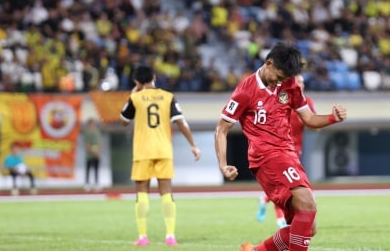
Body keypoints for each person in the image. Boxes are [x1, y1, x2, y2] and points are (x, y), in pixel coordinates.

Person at [214, 42, 347, 251]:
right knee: (307, 204)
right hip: (266, 157)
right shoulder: (245, 91)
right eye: (279, 76)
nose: (281, 82)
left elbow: (309, 119)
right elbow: (221, 129)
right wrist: (223, 164)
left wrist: (332, 118)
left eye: (285, 78)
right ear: (268, 63)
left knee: (307, 226)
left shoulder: (290, 84)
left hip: (289, 155)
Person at [121, 66, 202, 247]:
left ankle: (143, 237)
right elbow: (180, 121)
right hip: (164, 150)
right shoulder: (168, 96)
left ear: (136, 82)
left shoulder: (135, 98)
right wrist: (193, 145)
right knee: (166, 193)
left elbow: (124, 121)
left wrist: (133, 93)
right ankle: (170, 236)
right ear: (154, 77)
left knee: (142, 193)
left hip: (142, 151)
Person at [256, 74, 316, 229]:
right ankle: (281, 220)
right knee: (287, 188)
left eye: (303, 82)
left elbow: (312, 122)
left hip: (296, 150)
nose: (301, 84)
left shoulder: (306, 102)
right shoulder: (282, 98)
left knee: (290, 188)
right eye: (298, 81)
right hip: (281, 150)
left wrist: (316, 124)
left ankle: (265, 198)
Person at [82, 118, 102, 191]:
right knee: (88, 169)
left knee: (96, 169)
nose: (92, 125)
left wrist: (99, 152)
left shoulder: (97, 131)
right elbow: (86, 144)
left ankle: (96, 183)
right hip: (89, 154)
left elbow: (99, 142)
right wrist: (93, 152)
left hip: (97, 154)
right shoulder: (87, 132)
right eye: (91, 123)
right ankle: (87, 183)